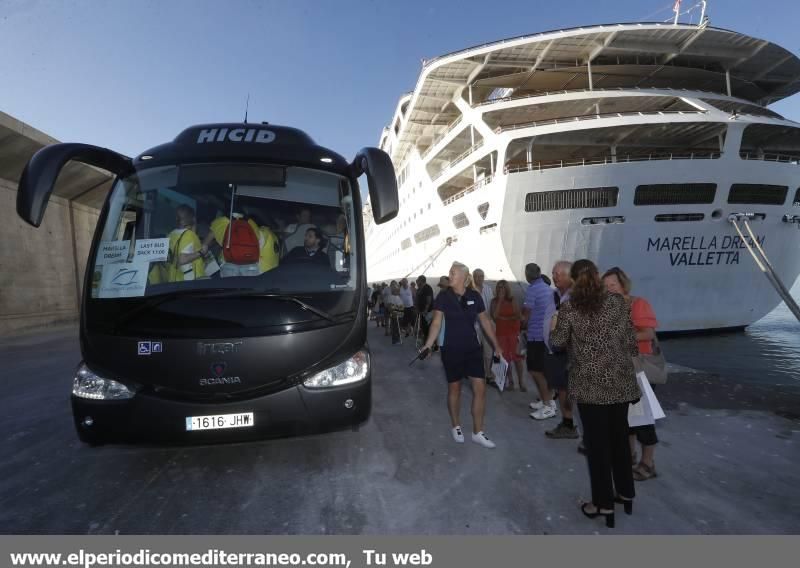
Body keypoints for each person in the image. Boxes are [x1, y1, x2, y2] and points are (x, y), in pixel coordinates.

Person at [550, 259, 640, 528]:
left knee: (598, 448)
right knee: (620, 440)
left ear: (575, 280)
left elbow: (556, 343)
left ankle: (602, 505)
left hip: (590, 387)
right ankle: (626, 494)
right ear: (598, 276)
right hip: (620, 383)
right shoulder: (617, 303)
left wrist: (556, 324)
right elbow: (631, 343)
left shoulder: (569, 308)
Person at [420, 262, 504, 449]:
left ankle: (478, 432)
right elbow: (435, 323)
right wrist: (428, 344)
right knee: (455, 388)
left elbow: (485, 321)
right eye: (450, 272)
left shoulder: (475, 296)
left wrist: (496, 345)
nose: (449, 275)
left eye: (453, 273)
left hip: (473, 349)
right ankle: (456, 426)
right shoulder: (443, 296)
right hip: (451, 349)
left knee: (480, 388)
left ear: (465, 278)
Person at [603, 266, 660, 482]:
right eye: (605, 286)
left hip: (638, 370)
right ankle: (629, 456)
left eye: (613, 285)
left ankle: (648, 464)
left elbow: (648, 333)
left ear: (623, 284)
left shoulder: (638, 304)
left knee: (643, 420)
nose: (609, 290)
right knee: (626, 420)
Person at [543, 261, 579, 439]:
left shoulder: (575, 298)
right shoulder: (556, 294)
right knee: (562, 389)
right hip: (556, 350)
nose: (554, 276)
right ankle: (568, 424)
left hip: (568, 352)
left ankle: (577, 428)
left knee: (570, 391)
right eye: (553, 273)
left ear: (570, 276)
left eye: (559, 273)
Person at [522, 263, 558, 420]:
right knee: (542, 371)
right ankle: (547, 401)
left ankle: (548, 405)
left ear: (527, 275)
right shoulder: (546, 288)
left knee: (535, 371)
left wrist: (520, 326)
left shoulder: (532, 289)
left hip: (537, 336)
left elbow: (526, 314)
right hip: (545, 336)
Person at [489, 280, 526, 391]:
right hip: (501, 333)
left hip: (513, 332)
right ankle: (511, 381)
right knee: (506, 359)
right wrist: (500, 301)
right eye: (499, 287)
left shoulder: (512, 300)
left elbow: (518, 316)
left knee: (517, 358)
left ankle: (521, 382)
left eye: (503, 287)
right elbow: (494, 316)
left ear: (507, 289)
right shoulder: (494, 301)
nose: (501, 289)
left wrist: (504, 318)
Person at [201, 212, 261, 278]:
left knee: (229, 287)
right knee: (249, 287)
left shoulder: (219, 222)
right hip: (250, 264)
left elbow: (204, 245)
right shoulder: (251, 223)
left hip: (228, 263)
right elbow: (258, 242)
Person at [168, 205, 205, 282]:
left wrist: (193, 225)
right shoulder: (189, 235)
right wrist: (202, 252)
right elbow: (182, 259)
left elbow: (189, 245)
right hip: (189, 282)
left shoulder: (171, 235)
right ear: (192, 218)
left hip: (174, 279)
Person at [473, 269, 496, 385]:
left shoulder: (488, 289)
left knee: (488, 351)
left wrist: (492, 321)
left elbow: (492, 306)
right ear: (473, 277)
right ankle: (476, 374)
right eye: (477, 276)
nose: (479, 278)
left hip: (487, 324)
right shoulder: (470, 291)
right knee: (475, 351)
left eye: (481, 276)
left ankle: (487, 374)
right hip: (475, 325)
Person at [416, 275, 434, 340]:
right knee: (423, 326)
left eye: (418, 281)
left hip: (428, 311)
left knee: (427, 326)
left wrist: (426, 309)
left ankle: (429, 342)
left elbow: (429, 300)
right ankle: (425, 340)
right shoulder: (419, 288)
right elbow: (417, 299)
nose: (417, 282)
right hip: (421, 311)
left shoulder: (427, 288)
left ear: (422, 281)